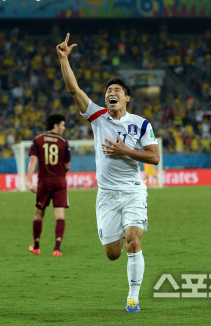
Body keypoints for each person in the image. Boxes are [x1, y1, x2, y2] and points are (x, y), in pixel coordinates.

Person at [57, 33, 160, 312]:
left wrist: (125, 150)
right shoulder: (98, 117)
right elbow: (74, 91)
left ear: (127, 98)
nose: (111, 93)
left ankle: (133, 297)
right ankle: (127, 274)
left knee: (133, 241)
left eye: (117, 90)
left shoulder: (140, 124)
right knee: (113, 254)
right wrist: (64, 60)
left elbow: (155, 157)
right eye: (108, 91)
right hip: (106, 195)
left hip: (133, 191)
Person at [26, 114, 71, 257]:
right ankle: (57, 249)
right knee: (60, 215)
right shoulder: (63, 142)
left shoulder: (38, 140)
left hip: (44, 181)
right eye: (62, 125)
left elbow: (33, 161)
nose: (63, 127)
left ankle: (37, 246)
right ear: (56, 125)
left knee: (39, 214)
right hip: (59, 180)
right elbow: (67, 165)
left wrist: (28, 181)